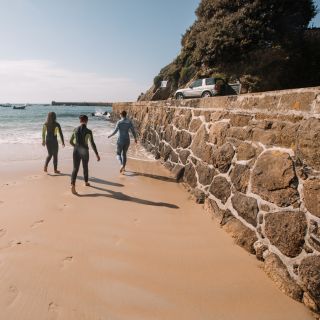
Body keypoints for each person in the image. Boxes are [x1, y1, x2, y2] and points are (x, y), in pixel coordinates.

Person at [70, 115, 100, 194]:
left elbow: (70, 141)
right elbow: (92, 143)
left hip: (76, 150)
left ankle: (72, 185)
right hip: (85, 151)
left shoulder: (75, 129)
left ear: (80, 121)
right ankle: (86, 182)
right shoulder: (89, 131)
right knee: (85, 167)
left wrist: (76, 147)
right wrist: (97, 154)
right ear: (87, 121)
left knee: (75, 168)